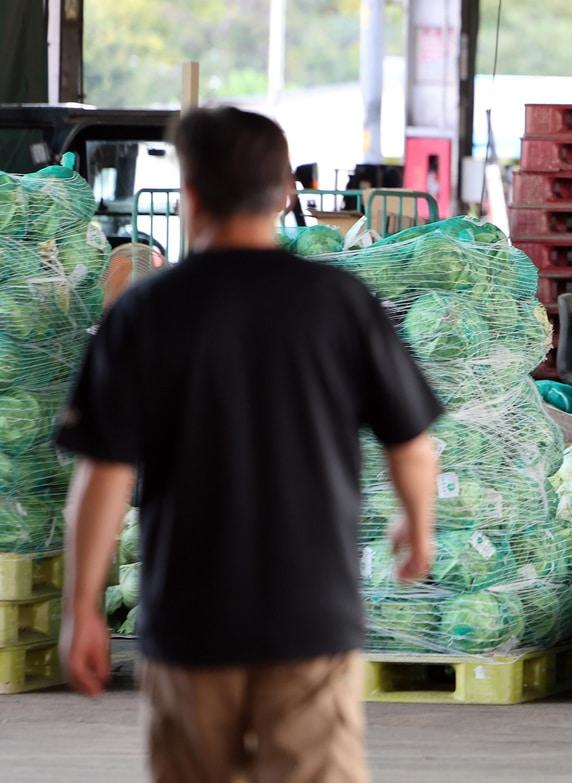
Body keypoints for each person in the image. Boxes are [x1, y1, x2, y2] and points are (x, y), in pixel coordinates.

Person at [57, 106, 442, 782]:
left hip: (188, 621)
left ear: (191, 194)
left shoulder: (145, 311)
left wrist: (81, 607)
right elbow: (411, 441)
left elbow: (105, 474)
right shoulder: (339, 300)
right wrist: (419, 524)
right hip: (310, 619)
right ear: (286, 192)